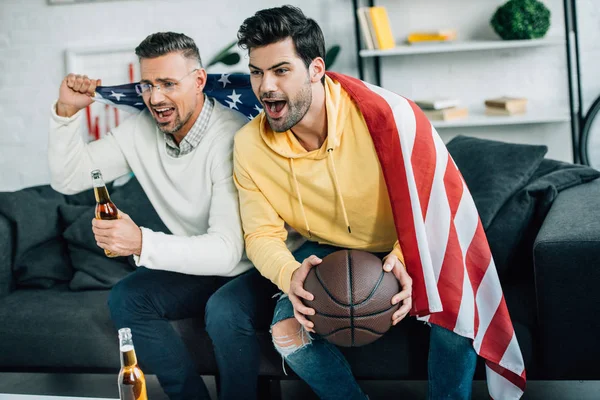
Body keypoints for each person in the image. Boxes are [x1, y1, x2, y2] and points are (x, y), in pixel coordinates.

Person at [207, 5, 525, 400]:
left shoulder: (389, 116)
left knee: (456, 313)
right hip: (324, 248)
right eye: (257, 72)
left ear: (316, 69)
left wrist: (404, 260)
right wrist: (291, 276)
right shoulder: (249, 145)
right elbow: (260, 233)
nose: (266, 86)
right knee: (287, 333)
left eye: (281, 70)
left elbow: (434, 209)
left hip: (408, 241)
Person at [48, 32, 252, 400]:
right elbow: (69, 179)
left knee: (224, 311)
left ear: (199, 81)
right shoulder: (140, 130)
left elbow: (227, 250)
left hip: (253, 265)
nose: (155, 98)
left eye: (168, 84)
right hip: (204, 264)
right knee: (127, 297)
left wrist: (141, 241)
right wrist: (66, 115)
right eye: (147, 84)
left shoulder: (232, 136)